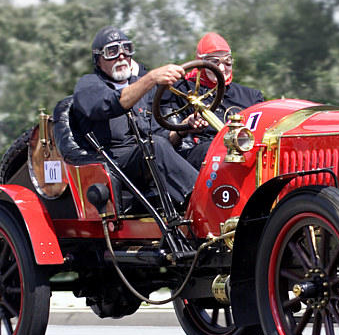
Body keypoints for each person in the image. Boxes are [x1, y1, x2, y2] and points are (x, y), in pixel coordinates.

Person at [72, 26, 199, 205]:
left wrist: (182, 130)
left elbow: (159, 135)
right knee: (155, 146)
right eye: (112, 51)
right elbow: (109, 105)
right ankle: (203, 200)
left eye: (126, 49)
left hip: (147, 158)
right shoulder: (88, 85)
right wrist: (151, 78)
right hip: (115, 166)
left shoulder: (142, 88)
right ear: (98, 59)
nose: (121, 56)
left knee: (203, 151)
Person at [160, 32, 264, 170]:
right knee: (212, 151)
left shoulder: (251, 96)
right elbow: (165, 140)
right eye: (214, 62)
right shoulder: (179, 91)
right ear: (201, 63)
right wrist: (186, 126)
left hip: (246, 151)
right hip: (201, 156)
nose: (221, 68)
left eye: (227, 61)